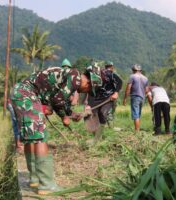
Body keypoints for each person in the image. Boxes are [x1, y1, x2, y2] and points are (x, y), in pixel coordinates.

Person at [10, 65, 102, 195]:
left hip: (22, 93)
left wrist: (70, 113)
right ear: (88, 82)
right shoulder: (75, 78)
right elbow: (57, 100)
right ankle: (46, 185)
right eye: (89, 89)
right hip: (26, 94)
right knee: (40, 137)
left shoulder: (70, 75)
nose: (85, 92)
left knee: (32, 138)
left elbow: (57, 98)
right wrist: (64, 117)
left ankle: (35, 179)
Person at [85, 61, 123, 142]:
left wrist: (116, 93)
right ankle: (96, 137)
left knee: (102, 113)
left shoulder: (108, 74)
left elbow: (120, 81)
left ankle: (98, 137)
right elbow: (91, 92)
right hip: (97, 98)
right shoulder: (90, 79)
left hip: (108, 98)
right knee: (90, 115)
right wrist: (88, 105)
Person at [123, 64, 149, 132]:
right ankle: (138, 129)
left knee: (135, 114)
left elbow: (128, 88)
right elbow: (146, 90)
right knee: (138, 114)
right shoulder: (145, 78)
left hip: (135, 96)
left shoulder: (132, 76)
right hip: (142, 97)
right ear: (140, 70)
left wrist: (125, 98)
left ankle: (137, 131)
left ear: (133, 70)